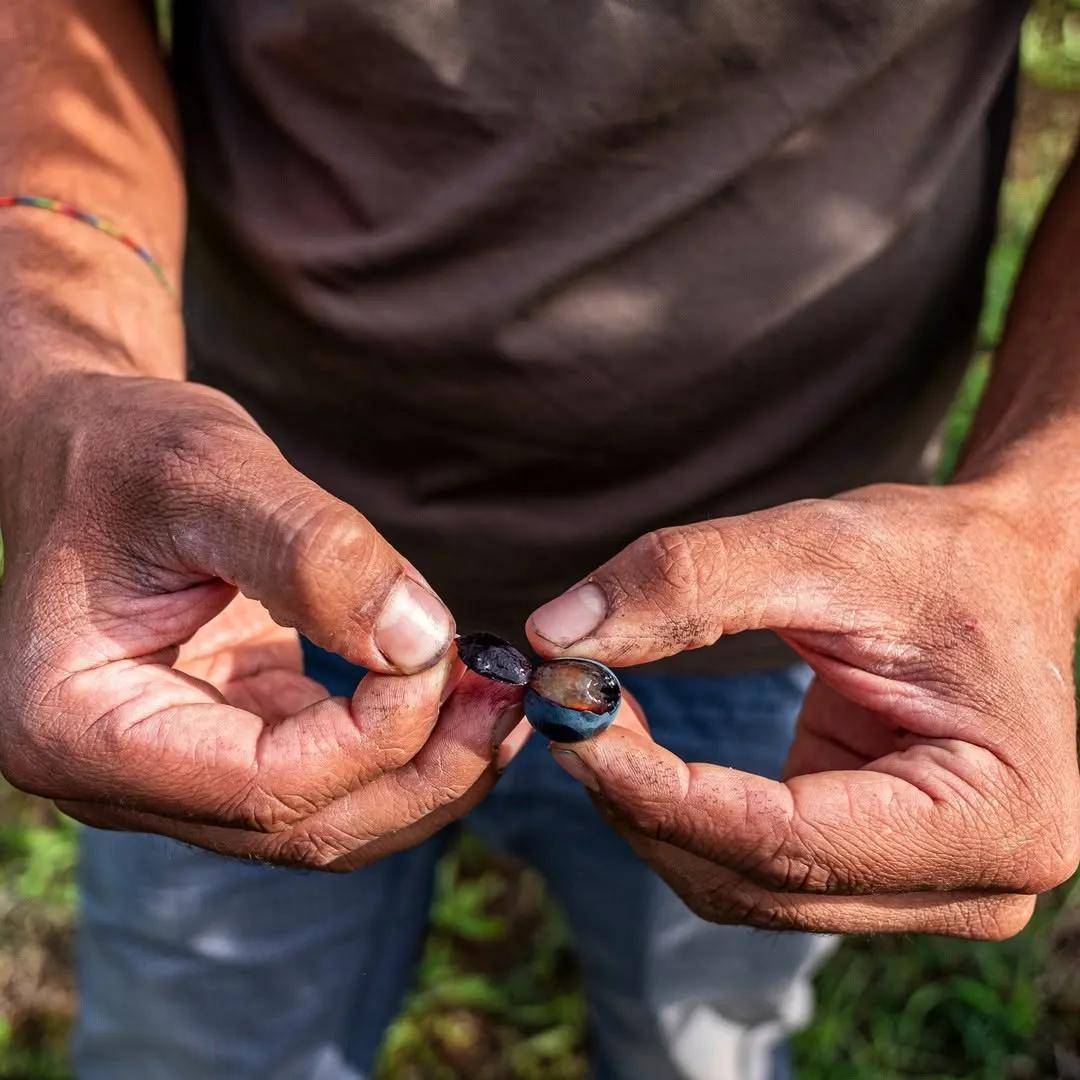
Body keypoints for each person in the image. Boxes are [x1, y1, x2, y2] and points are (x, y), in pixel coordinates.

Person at [0, 2, 1076, 1077]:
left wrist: (1035, 518)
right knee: (198, 1046)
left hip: (796, 618)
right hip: (235, 577)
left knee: (698, 1037)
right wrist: (68, 376)